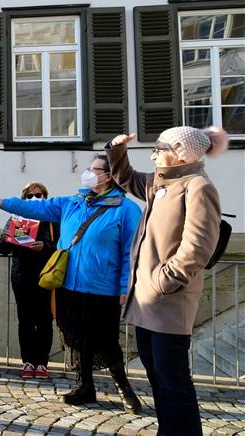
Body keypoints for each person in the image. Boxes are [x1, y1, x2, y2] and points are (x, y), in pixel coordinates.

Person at [0, 155, 142, 413]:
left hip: (103, 286)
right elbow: (36, 208)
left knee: (106, 340)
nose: (89, 173)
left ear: (110, 175)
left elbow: (132, 251)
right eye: (89, 168)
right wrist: (2, 202)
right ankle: (84, 385)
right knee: (76, 339)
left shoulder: (126, 209)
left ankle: (123, 388)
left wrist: (125, 286)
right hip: (70, 285)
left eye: (95, 170)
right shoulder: (72, 202)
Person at [107, 127, 228, 434]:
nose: (153, 155)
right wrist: (116, 149)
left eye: (159, 149)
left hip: (169, 299)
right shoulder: (160, 182)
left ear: (179, 151)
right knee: (156, 374)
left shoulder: (198, 186)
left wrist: (165, 280)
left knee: (172, 378)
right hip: (146, 298)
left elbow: (198, 246)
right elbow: (126, 178)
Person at [0, 182, 58, 379]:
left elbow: (62, 245)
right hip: (21, 275)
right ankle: (28, 361)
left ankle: (42, 363)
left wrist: (45, 246)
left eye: (38, 195)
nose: (34, 198)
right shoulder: (15, 218)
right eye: (30, 195)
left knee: (45, 320)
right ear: (23, 199)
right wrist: (6, 240)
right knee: (25, 320)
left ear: (45, 197)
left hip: (45, 276)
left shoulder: (52, 219)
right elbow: (1, 248)